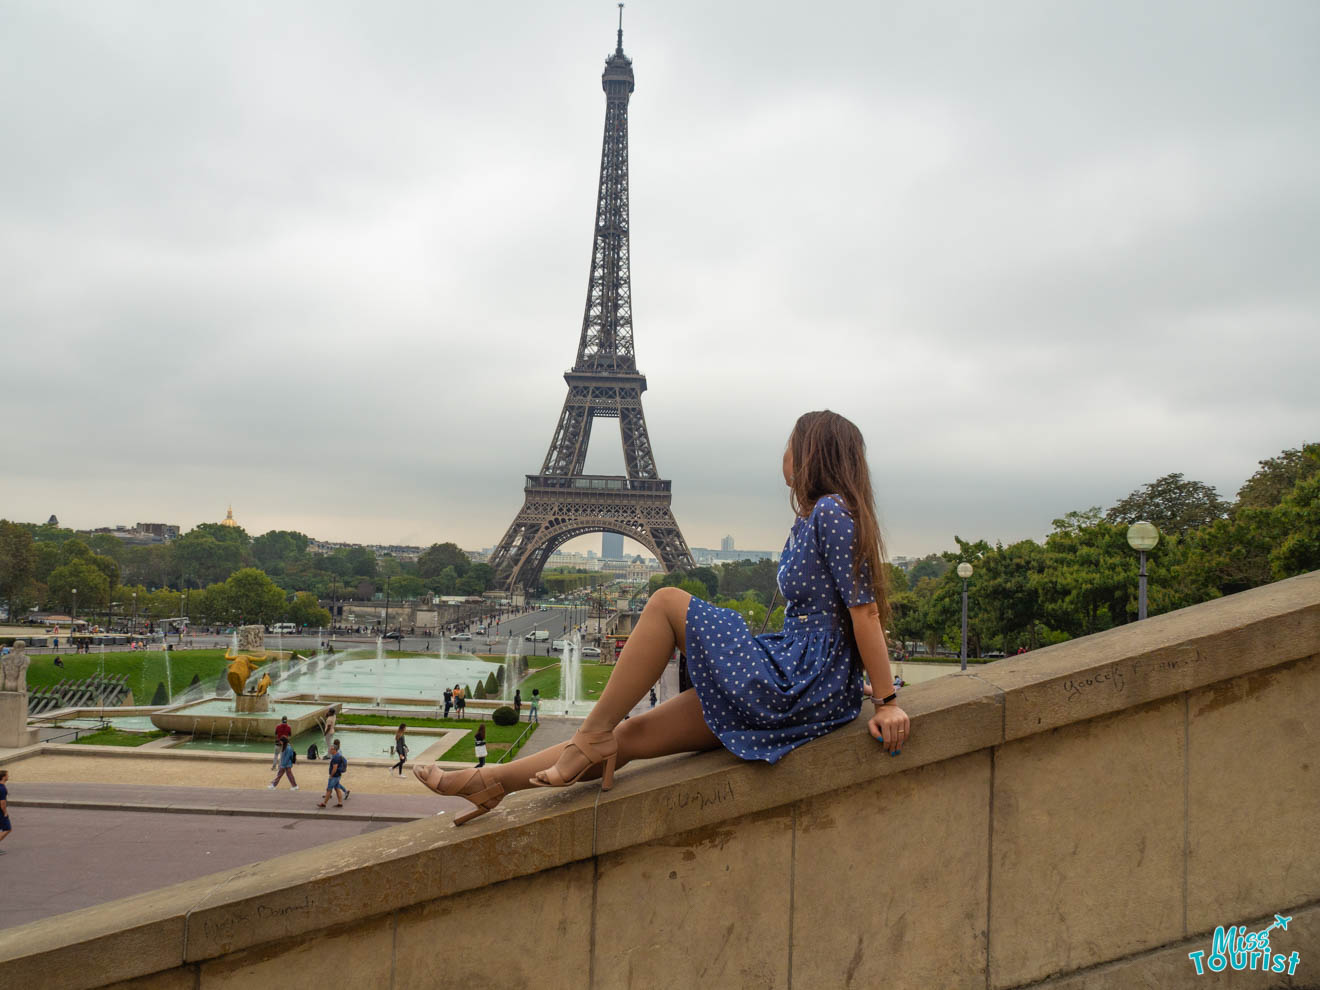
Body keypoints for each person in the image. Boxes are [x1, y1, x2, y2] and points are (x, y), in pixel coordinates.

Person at [414, 411, 910, 825]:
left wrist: (885, 700)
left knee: (667, 601)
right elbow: (840, 617)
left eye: (789, 445)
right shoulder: (812, 518)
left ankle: (587, 735)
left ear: (812, 454)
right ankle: (491, 783)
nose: (782, 455)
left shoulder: (830, 511)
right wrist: (846, 679)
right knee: (626, 738)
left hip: (797, 679)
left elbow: (863, 612)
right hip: (802, 680)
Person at [318, 740, 350, 808]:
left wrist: (331, 776)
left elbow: (334, 768)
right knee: (337, 789)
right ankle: (340, 803)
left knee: (329, 790)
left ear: (335, 750)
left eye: (331, 749)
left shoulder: (335, 757)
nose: (330, 750)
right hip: (338, 775)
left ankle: (324, 804)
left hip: (334, 776)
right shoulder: (337, 755)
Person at [0, 769, 11, 851]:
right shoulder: (2, 788)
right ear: (3, 777)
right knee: (7, 828)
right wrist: (5, 813)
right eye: (7, 775)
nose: (8, 776)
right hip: (0, 812)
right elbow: (2, 803)